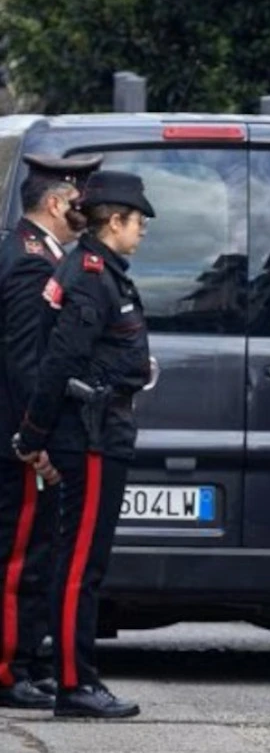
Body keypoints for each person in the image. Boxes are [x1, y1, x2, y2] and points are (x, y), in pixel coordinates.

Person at [13, 170, 156, 719]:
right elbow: (58, 362)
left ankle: (78, 679)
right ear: (114, 220)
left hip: (101, 433)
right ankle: (76, 684)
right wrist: (34, 434)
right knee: (79, 566)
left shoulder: (104, 272)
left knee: (83, 562)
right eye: (138, 221)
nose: (141, 232)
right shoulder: (92, 276)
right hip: (90, 435)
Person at [0, 154, 101, 709]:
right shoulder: (31, 262)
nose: (90, 211)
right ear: (60, 202)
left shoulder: (41, 255)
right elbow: (24, 362)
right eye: (83, 201)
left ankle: (25, 663)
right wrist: (31, 440)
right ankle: (7, 668)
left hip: (23, 435)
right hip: (16, 437)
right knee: (17, 557)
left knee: (35, 553)